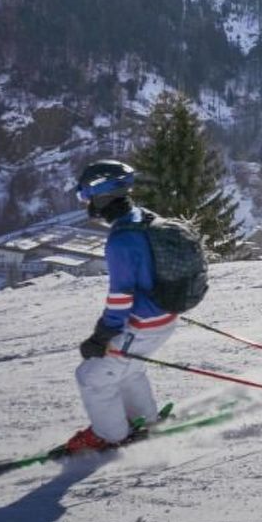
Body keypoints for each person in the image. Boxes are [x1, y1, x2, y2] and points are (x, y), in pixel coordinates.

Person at [65, 159, 180, 455]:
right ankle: (145, 419)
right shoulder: (143, 218)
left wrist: (102, 334)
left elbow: (121, 297)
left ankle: (110, 435)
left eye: (85, 196)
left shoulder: (121, 240)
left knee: (91, 377)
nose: (85, 203)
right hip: (165, 316)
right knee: (129, 368)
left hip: (143, 324)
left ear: (101, 194)